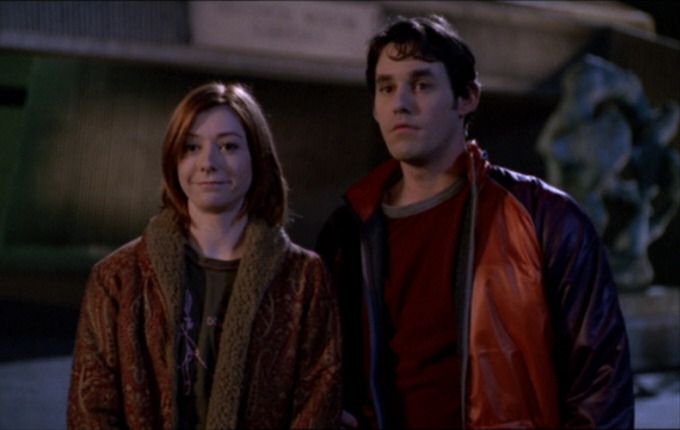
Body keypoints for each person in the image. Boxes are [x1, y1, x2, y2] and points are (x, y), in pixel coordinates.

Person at [316, 15, 634, 429]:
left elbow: (600, 383)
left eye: (422, 85)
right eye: (386, 87)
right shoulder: (348, 232)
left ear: (467, 97)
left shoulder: (544, 218)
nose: (400, 103)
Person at [68, 82, 342, 429]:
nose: (208, 163)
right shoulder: (117, 278)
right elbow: (91, 409)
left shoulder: (303, 278)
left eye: (228, 146)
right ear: (174, 159)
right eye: (191, 147)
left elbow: (319, 399)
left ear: (258, 157)